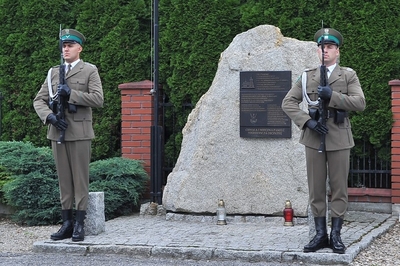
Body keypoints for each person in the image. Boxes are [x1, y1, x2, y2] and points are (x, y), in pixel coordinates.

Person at [281, 28, 366, 254]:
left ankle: (336, 235)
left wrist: (333, 96)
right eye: (321, 47)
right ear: (317, 51)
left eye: (329, 47)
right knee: (316, 188)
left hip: (339, 136)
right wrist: (307, 122)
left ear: (337, 51)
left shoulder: (348, 75)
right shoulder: (307, 76)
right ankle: (320, 235)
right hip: (313, 136)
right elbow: (288, 103)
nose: (324, 51)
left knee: (339, 189)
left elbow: (360, 103)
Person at [33, 29, 104, 242]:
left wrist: (71, 94)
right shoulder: (53, 72)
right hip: (58, 131)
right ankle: (66, 223)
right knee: (64, 180)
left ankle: (79, 224)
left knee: (80, 180)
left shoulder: (89, 70)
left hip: (80, 133)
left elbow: (98, 99)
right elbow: (39, 100)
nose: (66, 48)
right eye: (63, 45)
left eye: (70, 45)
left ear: (79, 48)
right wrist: (50, 118)